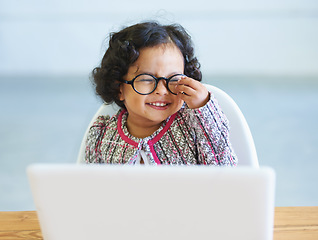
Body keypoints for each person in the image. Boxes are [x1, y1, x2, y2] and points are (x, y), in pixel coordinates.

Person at [85, 21, 237, 166]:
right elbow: (93, 188)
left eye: (173, 79)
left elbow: (224, 171)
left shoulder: (195, 127)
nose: (162, 90)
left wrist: (204, 110)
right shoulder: (102, 136)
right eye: (146, 79)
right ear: (119, 88)